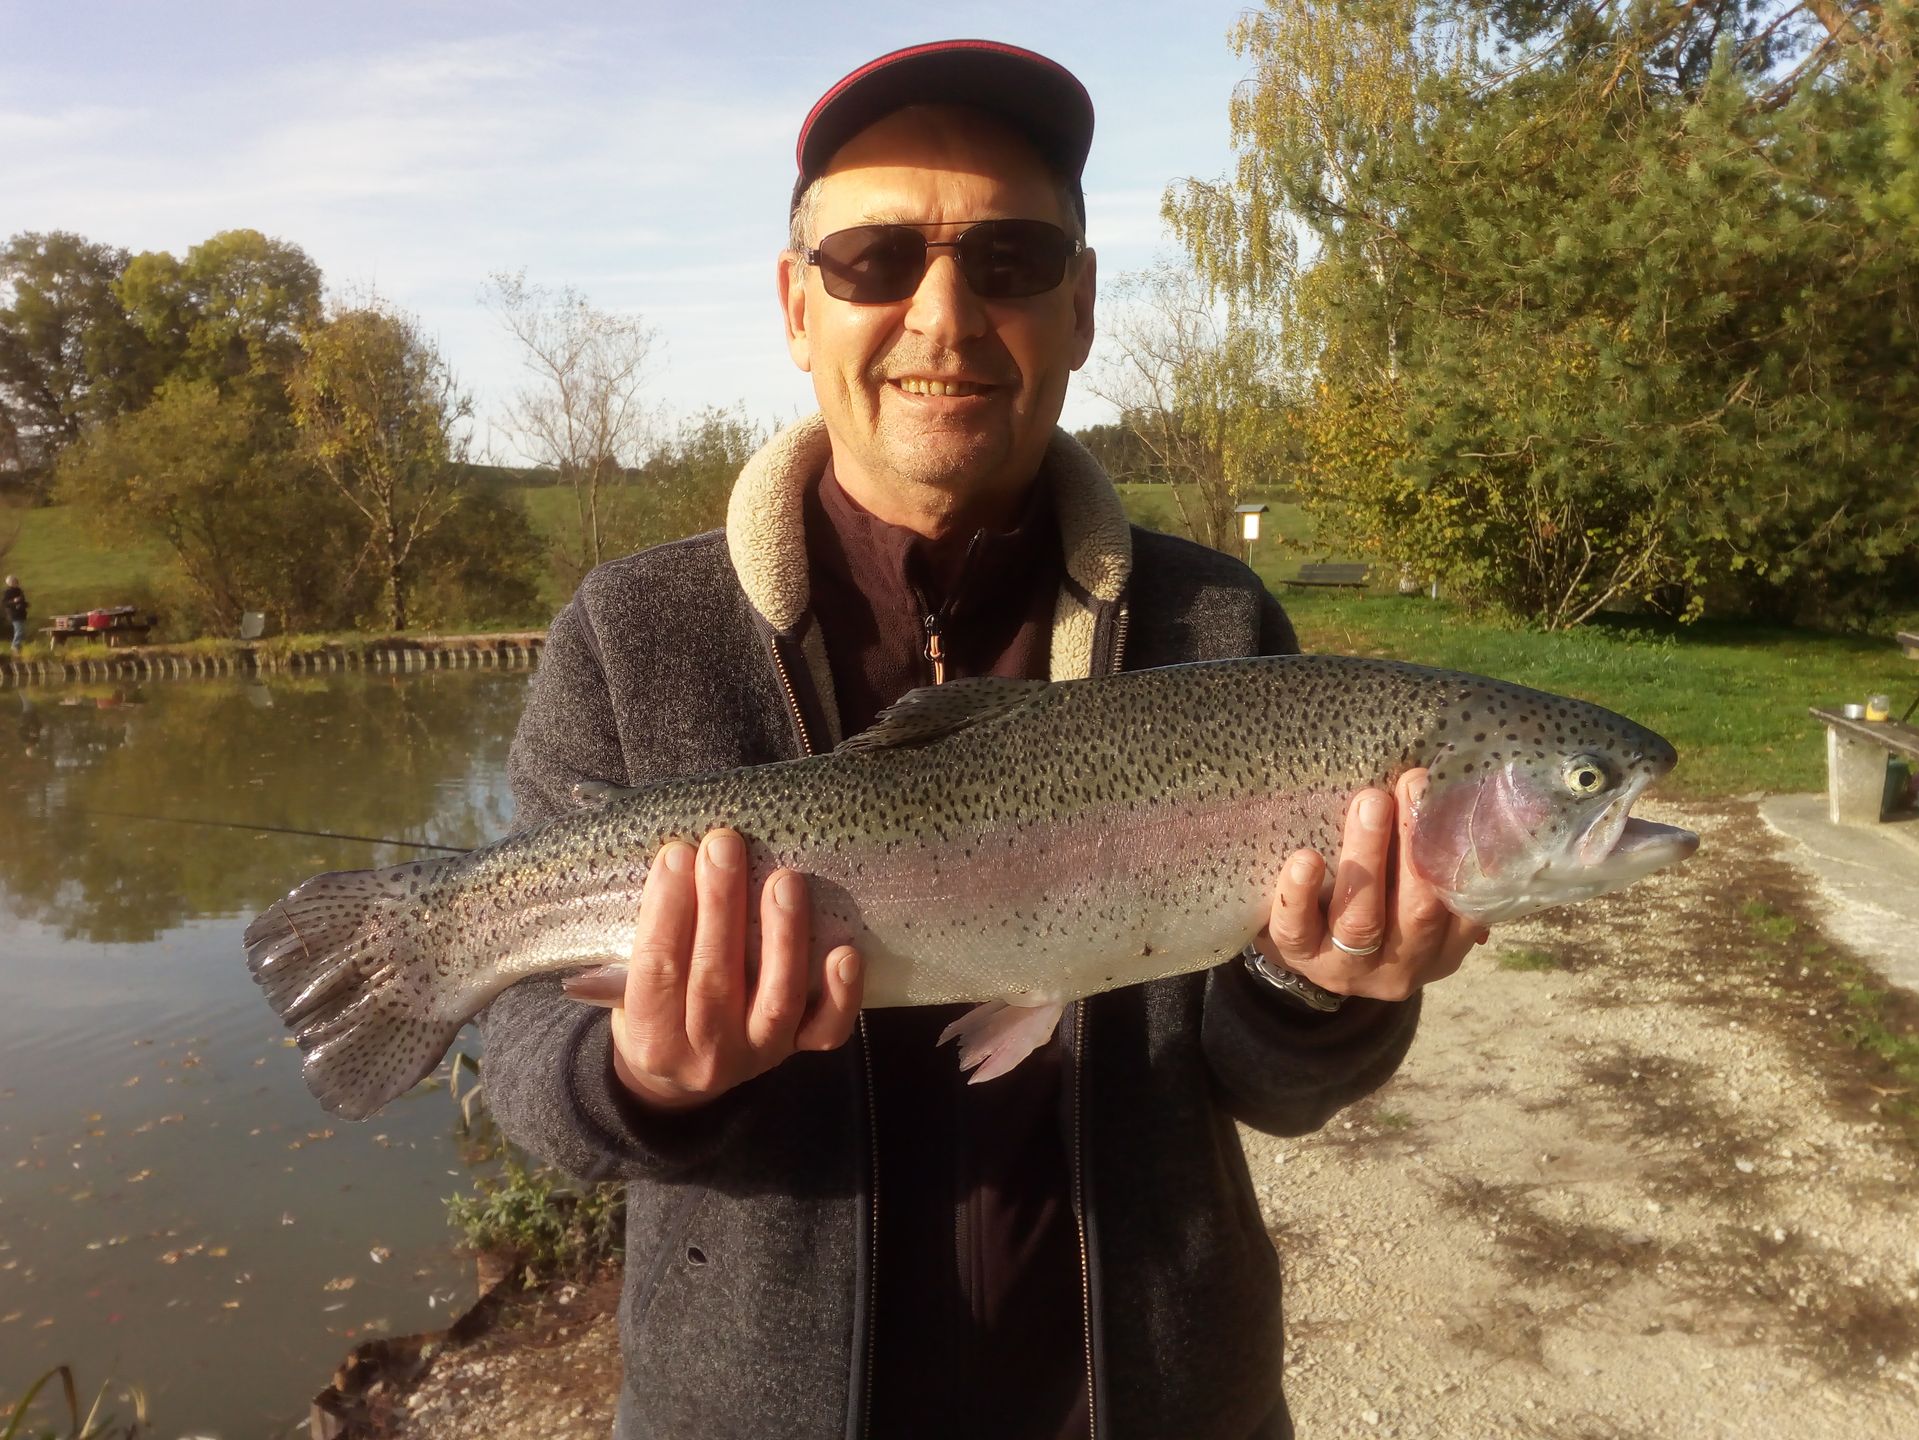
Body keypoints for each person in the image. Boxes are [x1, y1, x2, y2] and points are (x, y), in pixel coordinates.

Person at [483, 40, 1485, 1440]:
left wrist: (1324, 992)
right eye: (876, 259)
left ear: (1079, 307)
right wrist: (641, 1077)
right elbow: (527, 1068)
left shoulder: (1213, 623)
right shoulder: (631, 633)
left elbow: (1273, 1086)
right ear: (796, 306)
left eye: (1009, 259)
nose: (943, 319)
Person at [3, 575, 27, 654]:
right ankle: (15, 646)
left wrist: (25, 604)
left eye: (16, 581)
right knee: (19, 630)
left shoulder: (19, 590)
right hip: (14, 614)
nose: (16, 583)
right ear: (10, 583)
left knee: (22, 631)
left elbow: (22, 600)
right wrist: (14, 601)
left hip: (21, 613)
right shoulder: (8, 592)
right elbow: (5, 603)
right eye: (14, 581)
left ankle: (18, 649)